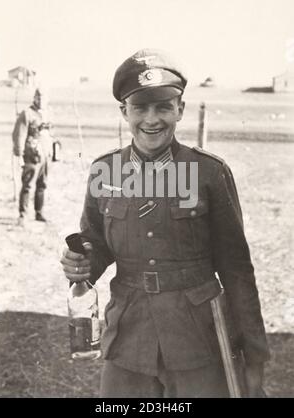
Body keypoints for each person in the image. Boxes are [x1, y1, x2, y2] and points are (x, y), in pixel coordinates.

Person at [60, 48, 270, 398]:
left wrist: (255, 355)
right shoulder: (105, 171)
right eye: (140, 107)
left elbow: (236, 270)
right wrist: (81, 262)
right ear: (124, 111)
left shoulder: (208, 173)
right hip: (129, 340)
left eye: (163, 107)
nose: (151, 119)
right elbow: (95, 243)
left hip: (197, 341)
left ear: (180, 110)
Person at [12, 88, 53, 225]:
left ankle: (39, 213)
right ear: (34, 99)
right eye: (38, 98)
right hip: (32, 156)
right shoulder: (27, 114)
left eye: (43, 98)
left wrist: (53, 150)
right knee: (28, 185)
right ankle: (23, 215)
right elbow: (19, 135)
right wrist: (19, 155)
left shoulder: (48, 113)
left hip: (45, 156)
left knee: (43, 184)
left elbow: (50, 133)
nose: (41, 101)